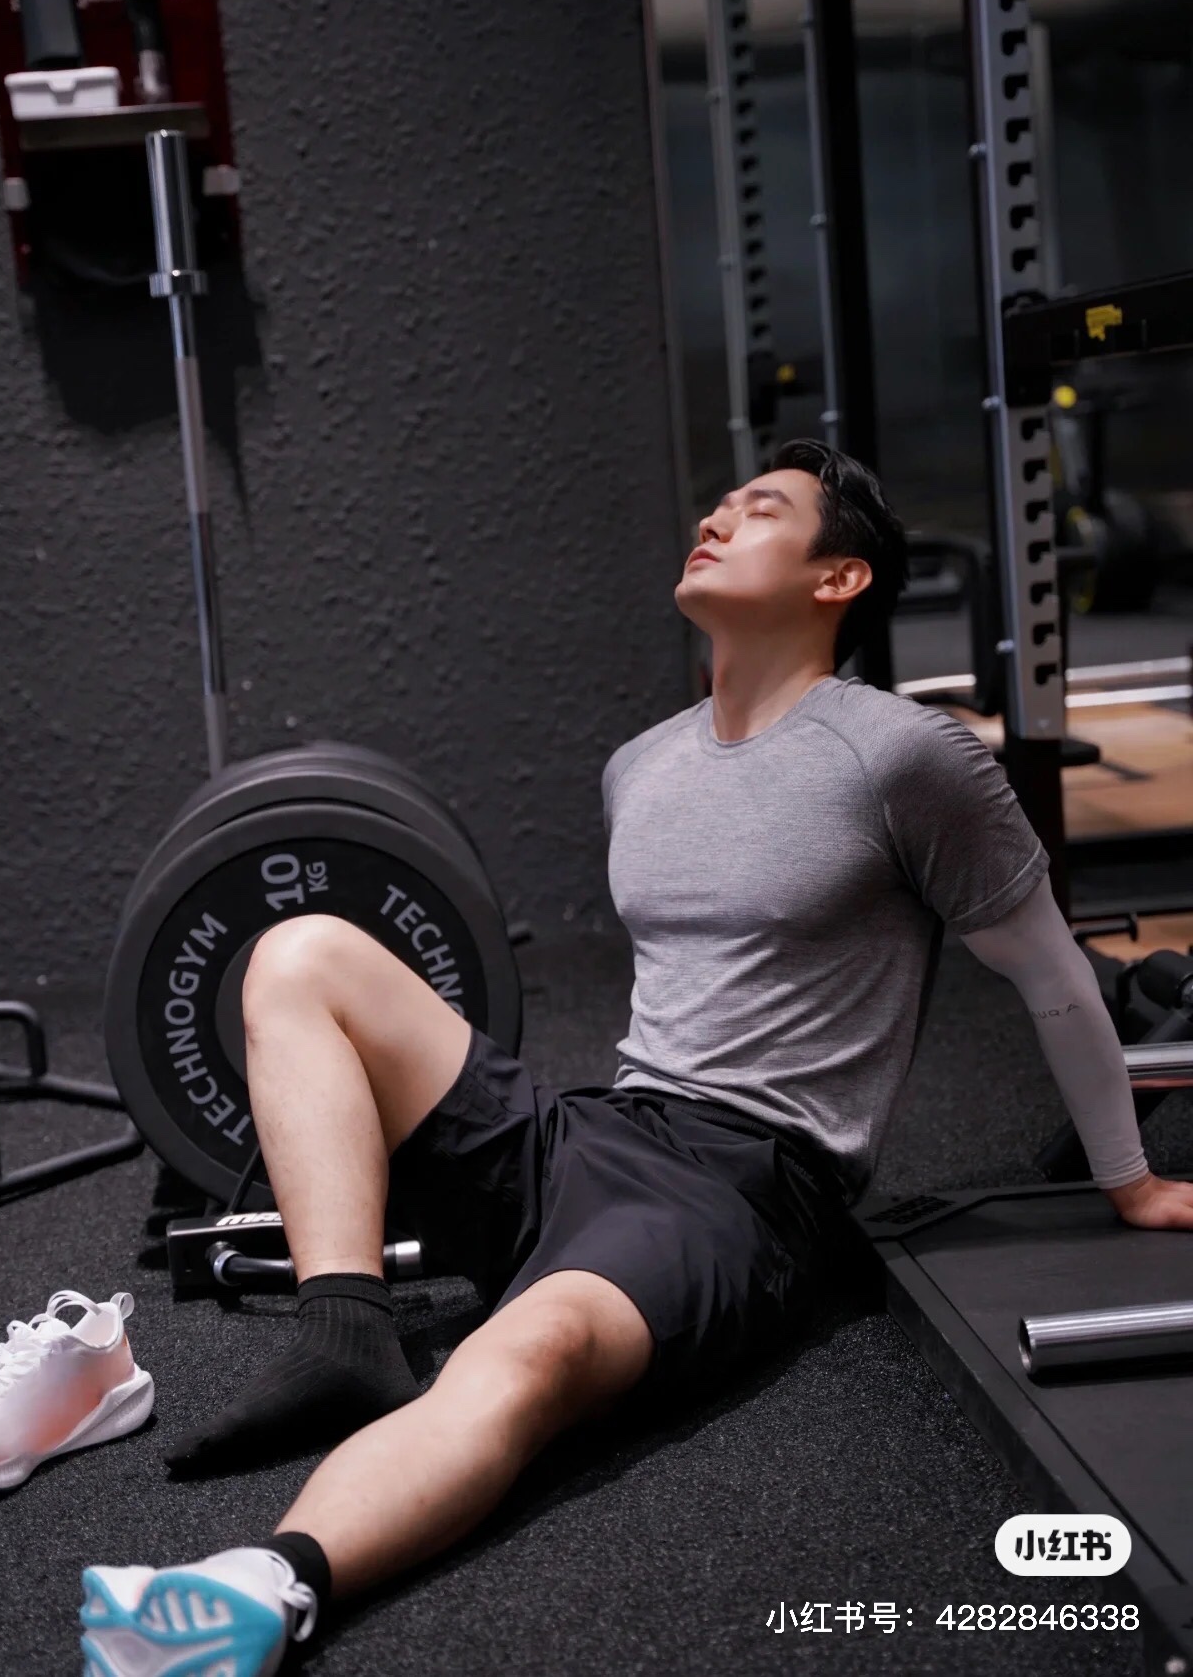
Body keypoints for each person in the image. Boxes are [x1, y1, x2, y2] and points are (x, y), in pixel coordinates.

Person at [79, 439, 1193, 1676]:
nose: (714, 518)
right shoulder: (641, 762)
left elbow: (1049, 975)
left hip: (739, 1183)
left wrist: (1127, 1177)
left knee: (530, 1349)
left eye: (758, 510)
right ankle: (344, 1321)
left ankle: (262, 1585)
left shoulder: (904, 755)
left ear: (836, 579)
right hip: (593, 1128)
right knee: (299, 951)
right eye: (715, 504)